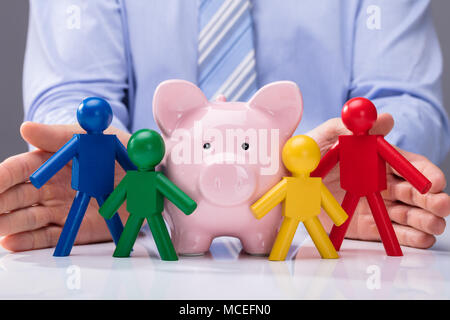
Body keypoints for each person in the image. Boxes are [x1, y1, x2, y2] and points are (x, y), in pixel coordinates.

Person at [0, 0, 448, 252]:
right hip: (155, 229)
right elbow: (73, 92)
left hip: (316, 236)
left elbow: (406, 100)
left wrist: (331, 161)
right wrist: (119, 162)